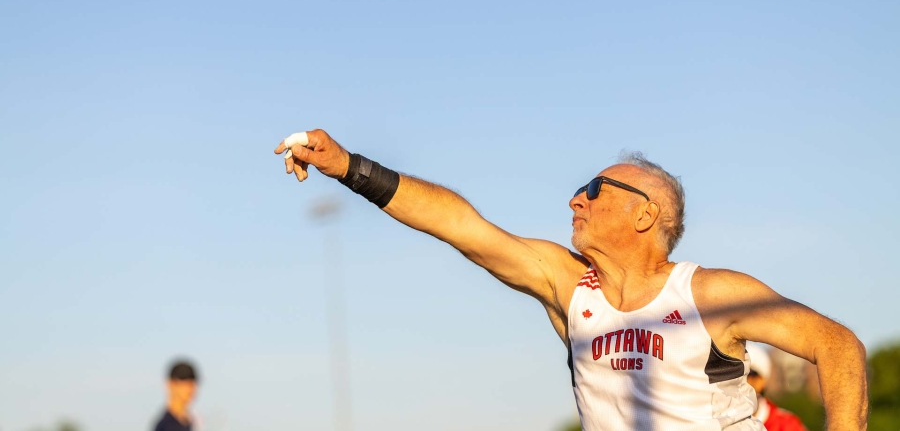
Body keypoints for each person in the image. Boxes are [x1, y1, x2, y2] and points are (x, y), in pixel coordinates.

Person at [274, 129, 868, 431]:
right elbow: (461, 226)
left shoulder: (709, 293)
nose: (574, 200)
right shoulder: (568, 286)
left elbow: (837, 345)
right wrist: (351, 167)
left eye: (593, 189)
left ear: (645, 214)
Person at [746, 343, 809, 431]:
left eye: (746, 375)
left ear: (761, 381)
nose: (736, 381)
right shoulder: (721, 420)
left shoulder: (787, 425)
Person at [153, 360, 199, 431]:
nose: (190, 390)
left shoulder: (189, 422)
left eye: (192, 385)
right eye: (185, 384)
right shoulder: (166, 426)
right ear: (170, 384)